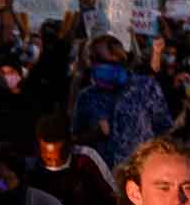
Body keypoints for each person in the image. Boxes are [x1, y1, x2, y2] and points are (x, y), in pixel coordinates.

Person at [28, 112, 118, 205]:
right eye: (48, 158)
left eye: (60, 157)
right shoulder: (31, 167)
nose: (54, 164)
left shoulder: (86, 159)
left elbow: (115, 203)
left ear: (70, 144)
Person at [72, 35, 171, 168]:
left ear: (120, 58)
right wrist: (95, 134)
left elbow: (163, 127)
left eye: (102, 60)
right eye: (94, 60)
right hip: (103, 178)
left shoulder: (146, 87)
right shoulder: (87, 96)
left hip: (139, 171)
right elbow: (76, 138)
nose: (97, 66)